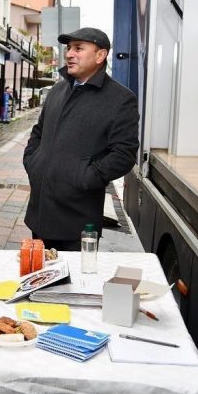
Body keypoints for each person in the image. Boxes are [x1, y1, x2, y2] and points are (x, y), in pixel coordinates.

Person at [23, 27, 139, 251]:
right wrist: (33, 162)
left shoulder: (121, 99)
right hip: (39, 214)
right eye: (68, 48)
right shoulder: (57, 91)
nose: (69, 54)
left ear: (100, 55)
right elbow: (38, 131)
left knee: (73, 284)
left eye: (78, 48)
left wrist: (84, 177)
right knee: (38, 279)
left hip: (76, 223)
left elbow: (124, 155)